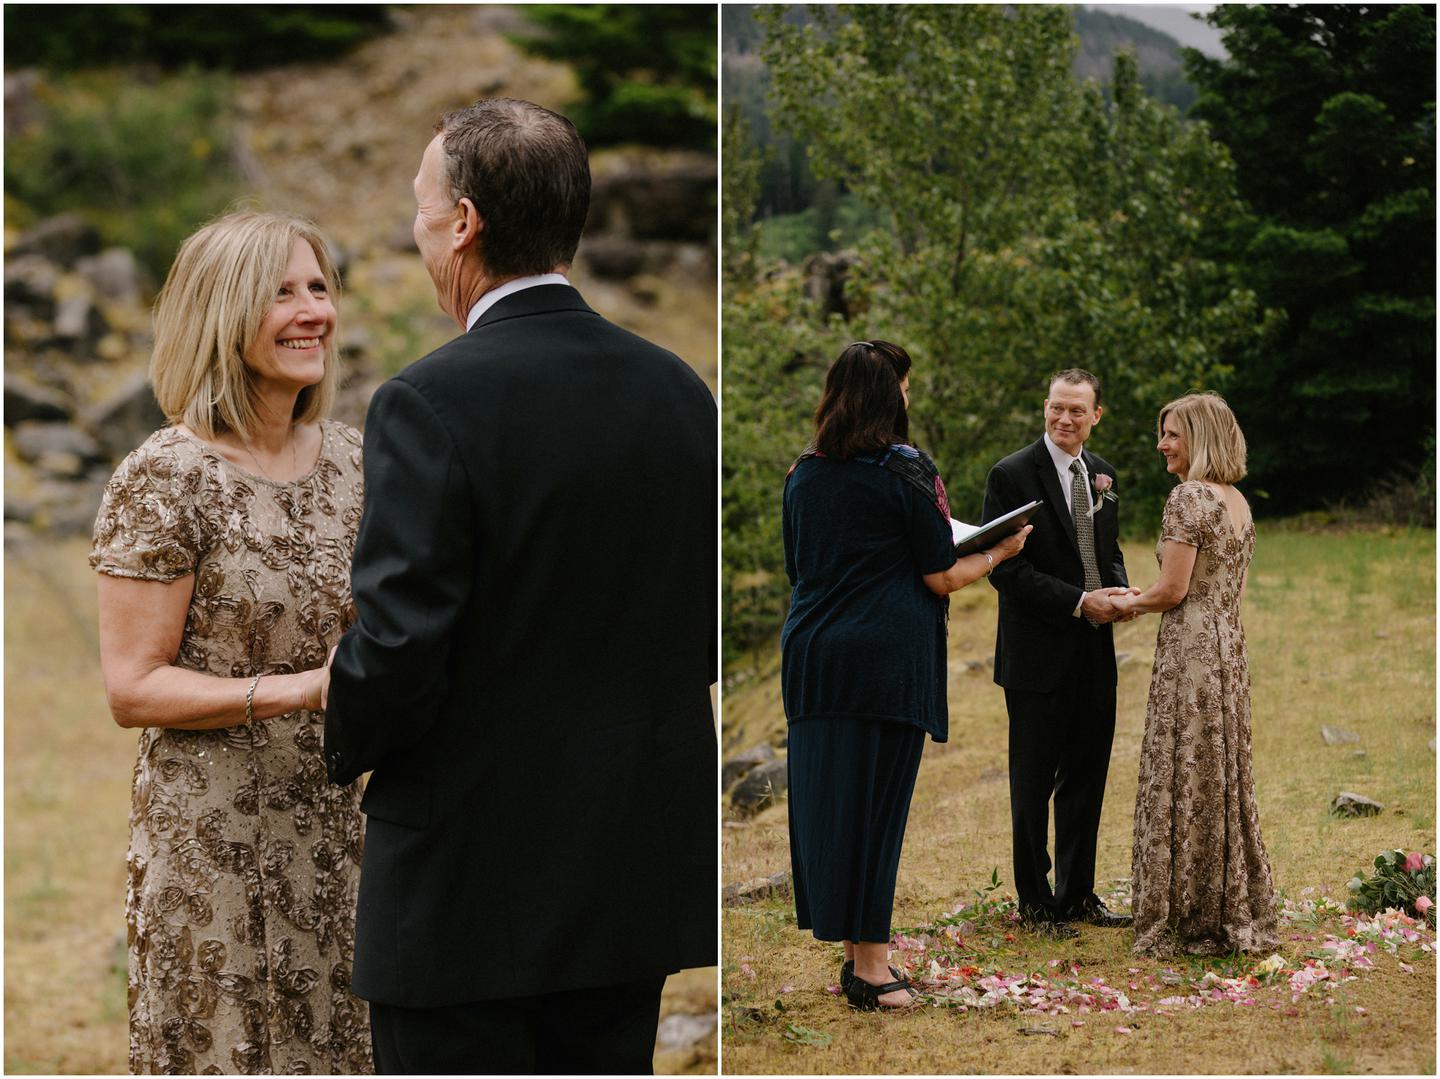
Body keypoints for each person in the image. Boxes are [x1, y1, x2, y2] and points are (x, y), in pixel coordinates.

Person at [320, 99, 716, 1074]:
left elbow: (402, 645)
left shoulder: (428, 401)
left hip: (466, 887)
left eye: (420, 208)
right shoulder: (679, 391)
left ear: (464, 223)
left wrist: (344, 734)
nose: (415, 231)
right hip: (629, 874)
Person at [90, 211, 372, 1074]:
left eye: (318, 288)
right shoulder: (166, 474)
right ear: (222, 311)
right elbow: (132, 687)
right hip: (213, 840)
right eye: (281, 292)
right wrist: (297, 690)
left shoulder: (361, 462)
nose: (311, 311)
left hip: (348, 836)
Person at [781, 341, 1031, 1011]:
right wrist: (1003, 548)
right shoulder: (905, 468)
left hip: (811, 657)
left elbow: (798, 566)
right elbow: (941, 570)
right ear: (890, 395)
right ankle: (871, 967)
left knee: (829, 806)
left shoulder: (803, 472)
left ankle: (853, 954)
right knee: (875, 810)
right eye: (906, 387)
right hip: (883, 660)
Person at [1110, 392, 1278, 956]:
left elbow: (1174, 591)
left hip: (1191, 650)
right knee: (1219, 770)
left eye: (1173, 434)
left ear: (1201, 437)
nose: (1162, 444)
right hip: (1229, 646)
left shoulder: (1188, 498)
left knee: (1185, 766)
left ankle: (1186, 910)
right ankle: (1221, 899)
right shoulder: (1237, 501)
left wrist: (1124, 603)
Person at [981, 368, 1135, 938]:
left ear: (1097, 416)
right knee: (1033, 781)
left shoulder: (1103, 475)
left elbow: (1107, 549)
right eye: (1056, 408)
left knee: (1087, 774)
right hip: (1037, 652)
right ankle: (1036, 902)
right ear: (1045, 408)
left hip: (1095, 649)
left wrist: (1118, 590)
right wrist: (1077, 602)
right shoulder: (1012, 474)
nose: (1064, 419)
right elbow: (1007, 570)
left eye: (1077, 411)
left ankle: (1077, 894)